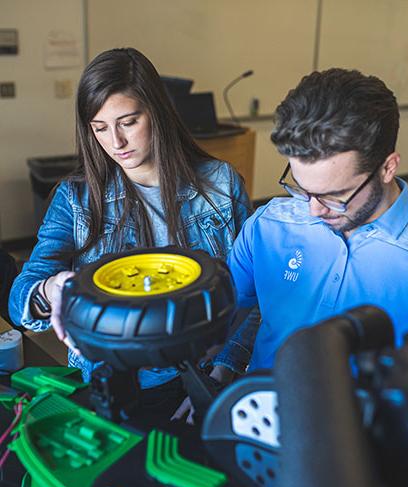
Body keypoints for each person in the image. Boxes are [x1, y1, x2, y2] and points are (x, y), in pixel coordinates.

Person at [9, 48, 252, 412]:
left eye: (128, 122)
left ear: (157, 112)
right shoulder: (76, 198)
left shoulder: (219, 184)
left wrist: (218, 378)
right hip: (115, 384)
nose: (116, 143)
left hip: (205, 375)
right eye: (100, 128)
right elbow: (19, 301)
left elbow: (252, 294)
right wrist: (50, 288)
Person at [216, 68, 408, 373]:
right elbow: (224, 315)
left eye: (334, 195)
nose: (313, 210)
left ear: (387, 168)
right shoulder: (267, 226)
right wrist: (221, 365)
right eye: (302, 188)